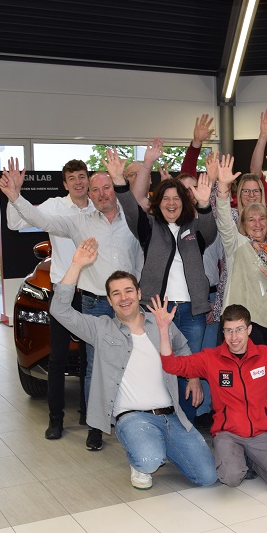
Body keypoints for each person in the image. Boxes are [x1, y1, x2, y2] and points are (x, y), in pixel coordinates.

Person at [0, 158, 143, 451]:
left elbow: (142, 256)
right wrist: (15, 196)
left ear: (114, 189)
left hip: (128, 305)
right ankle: (94, 426)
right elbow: (42, 221)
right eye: (95, 190)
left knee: (133, 361)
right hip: (94, 303)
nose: (101, 194)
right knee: (92, 368)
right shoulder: (79, 222)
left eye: (106, 187)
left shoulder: (133, 220)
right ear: (88, 193)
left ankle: (133, 418)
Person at [51, 238, 217, 490]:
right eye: (116, 294)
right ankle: (144, 454)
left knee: (208, 476)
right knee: (148, 461)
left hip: (171, 416)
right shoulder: (100, 329)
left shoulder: (160, 322)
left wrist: (193, 377)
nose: (123, 298)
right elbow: (60, 310)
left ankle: (161, 445)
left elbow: (183, 347)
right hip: (132, 418)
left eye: (128, 291)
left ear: (139, 294)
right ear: (109, 301)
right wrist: (76, 265)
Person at [159, 294, 267, 493]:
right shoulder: (211, 358)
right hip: (228, 434)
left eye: (239, 330)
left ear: (249, 330)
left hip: (259, 433)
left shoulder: (265, 355)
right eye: (229, 331)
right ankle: (236, 457)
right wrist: (163, 329)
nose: (234, 338)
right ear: (223, 332)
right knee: (231, 478)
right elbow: (171, 365)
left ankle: (254, 460)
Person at [106, 148, 217, 423]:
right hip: (158, 312)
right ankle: (159, 422)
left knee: (189, 373)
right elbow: (130, 209)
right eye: (165, 198)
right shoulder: (149, 227)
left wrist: (205, 204)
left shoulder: (195, 229)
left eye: (176, 198)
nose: (171, 203)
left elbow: (211, 231)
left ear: (184, 202)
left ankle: (186, 426)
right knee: (157, 370)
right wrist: (119, 181)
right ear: (158, 202)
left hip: (192, 313)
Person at [5, 158, 92, 440]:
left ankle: (89, 414)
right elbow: (15, 222)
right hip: (63, 293)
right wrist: (15, 195)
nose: (78, 182)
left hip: (92, 293)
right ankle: (56, 420)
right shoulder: (55, 206)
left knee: (91, 358)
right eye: (72, 178)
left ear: (88, 179)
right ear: (65, 184)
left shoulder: (98, 208)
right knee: (57, 358)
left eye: (82, 176)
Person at [214, 156, 267, 346]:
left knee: (263, 366)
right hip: (237, 323)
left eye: (262, 219)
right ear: (243, 224)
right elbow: (224, 218)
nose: (257, 224)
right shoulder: (237, 243)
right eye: (251, 219)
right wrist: (223, 187)